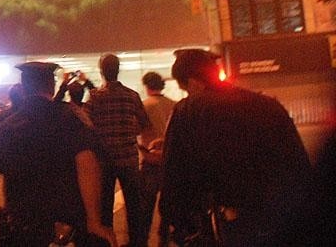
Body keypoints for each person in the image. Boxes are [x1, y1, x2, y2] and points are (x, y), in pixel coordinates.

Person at [159, 49, 312, 246]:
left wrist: (178, 226)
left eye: (186, 89)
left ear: (193, 81)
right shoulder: (267, 105)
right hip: (282, 217)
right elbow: (299, 164)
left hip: (233, 222)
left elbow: (174, 175)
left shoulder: (187, 111)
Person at [0, 61, 116, 247]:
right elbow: (87, 164)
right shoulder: (70, 119)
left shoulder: (6, 127)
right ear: (51, 87)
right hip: (61, 224)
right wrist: (94, 221)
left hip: (22, 223)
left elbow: (5, 175)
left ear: (24, 89)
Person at [86, 53, 153, 247]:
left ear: (102, 71)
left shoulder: (95, 97)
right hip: (129, 159)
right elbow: (144, 124)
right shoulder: (132, 96)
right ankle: (137, 243)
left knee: (105, 207)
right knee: (134, 207)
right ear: (118, 70)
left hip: (105, 161)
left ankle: (107, 242)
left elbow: (86, 124)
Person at [137, 71, 173, 243]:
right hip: (169, 161)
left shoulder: (144, 106)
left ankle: (142, 239)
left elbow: (136, 132)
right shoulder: (174, 105)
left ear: (147, 86)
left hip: (150, 161)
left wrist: (142, 150)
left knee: (146, 206)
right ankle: (163, 238)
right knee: (167, 204)